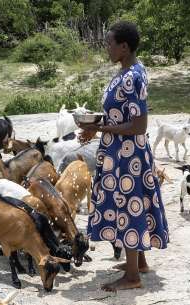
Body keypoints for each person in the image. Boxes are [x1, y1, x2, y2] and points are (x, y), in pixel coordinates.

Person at [77, 21, 169, 292]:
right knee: (133, 203)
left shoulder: (133, 77)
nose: (106, 48)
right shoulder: (127, 71)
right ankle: (137, 263)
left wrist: (99, 128)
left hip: (128, 156)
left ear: (124, 47)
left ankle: (132, 278)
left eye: (109, 43)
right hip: (121, 151)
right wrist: (96, 129)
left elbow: (139, 125)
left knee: (128, 207)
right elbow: (122, 114)